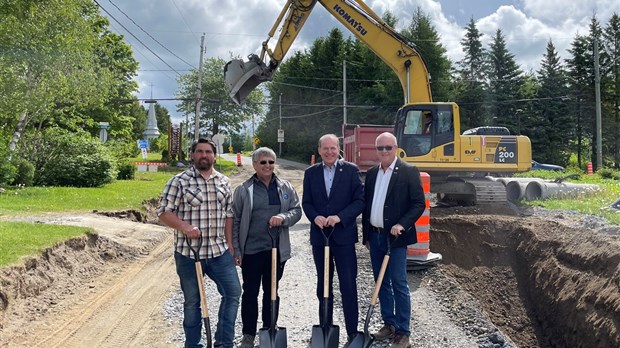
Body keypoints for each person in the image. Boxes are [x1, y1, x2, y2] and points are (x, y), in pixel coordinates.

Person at [158, 138, 241, 348]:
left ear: (214, 155)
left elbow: (229, 215)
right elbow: (164, 213)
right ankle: (193, 344)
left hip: (219, 252)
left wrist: (230, 244)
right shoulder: (179, 181)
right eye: (200, 152)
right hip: (189, 253)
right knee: (193, 302)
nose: (204, 155)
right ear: (193, 155)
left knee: (232, 293)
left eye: (208, 152)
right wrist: (185, 227)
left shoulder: (223, 181)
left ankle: (224, 343)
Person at [232, 147, 302, 348]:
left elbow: (296, 211)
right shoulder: (244, 189)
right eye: (263, 162)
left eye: (271, 162)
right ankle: (248, 335)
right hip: (252, 250)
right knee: (250, 291)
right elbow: (235, 220)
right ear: (254, 165)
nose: (268, 166)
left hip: (276, 250)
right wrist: (237, 250)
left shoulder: (285, 187)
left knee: (272, 290)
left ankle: (269, 328)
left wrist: (283, 217)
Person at [362, 132, 426, 348]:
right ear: (376, 150)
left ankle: (402, 331)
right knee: (381, 283)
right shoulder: (371, 173)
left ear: (396, 148)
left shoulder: (408, 171)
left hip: (395, 239)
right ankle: (388, 323)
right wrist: (367, 235)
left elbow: (418, 203)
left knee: (399, 283)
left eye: (388, 148)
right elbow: (367, 205)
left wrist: (402, 224)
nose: (384, 152)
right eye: (380, 148)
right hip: (375, 236)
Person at [302, 134, 365, 344]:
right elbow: (307, 203)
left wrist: (340, 217)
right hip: (321, 238)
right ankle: (325, 327)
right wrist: (314, 217)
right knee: (324, 284)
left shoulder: (350, 170)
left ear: (339, 149)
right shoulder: (311, 173)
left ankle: (352, 331)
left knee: (348, 283)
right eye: (325, 148)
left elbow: (360, 201)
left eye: (333, 148)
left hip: (344, 238)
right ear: (319, 150)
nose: (330, 152)